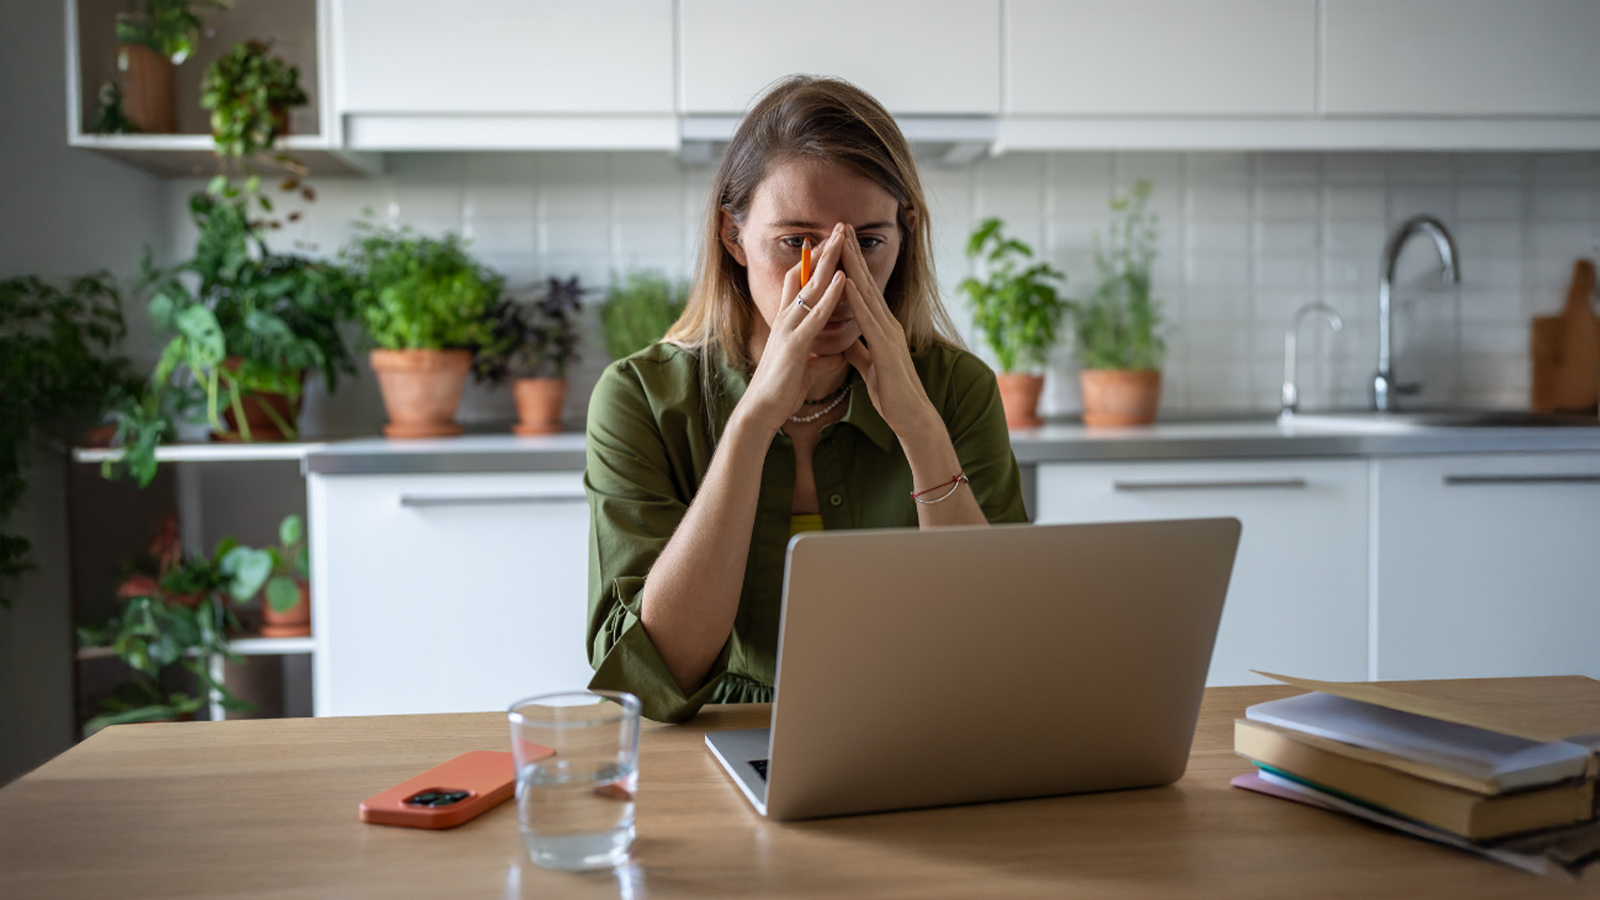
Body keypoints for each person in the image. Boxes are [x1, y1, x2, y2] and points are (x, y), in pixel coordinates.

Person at [585, 75, 1028, 723]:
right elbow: (656, 678)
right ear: (733, 239)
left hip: (913, 723)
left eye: (868, 243)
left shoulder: (958, 389)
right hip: (719, 734)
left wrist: (921, 431)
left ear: (904, 240)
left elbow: (999, 647)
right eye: (795, 241)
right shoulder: (639, 399)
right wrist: (753, 422)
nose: (832, 279)